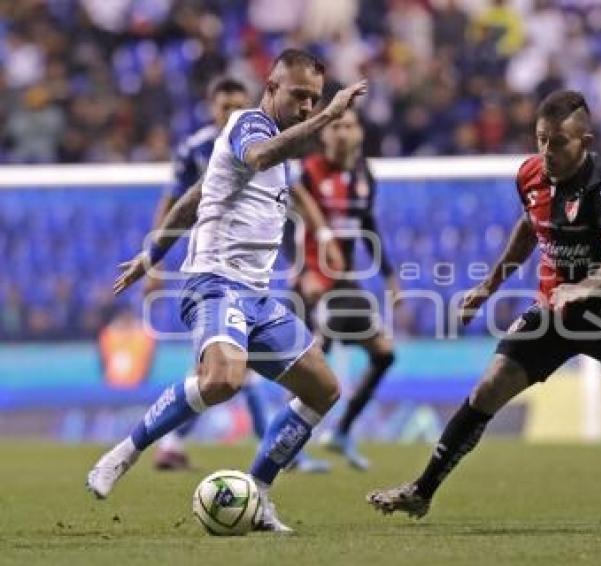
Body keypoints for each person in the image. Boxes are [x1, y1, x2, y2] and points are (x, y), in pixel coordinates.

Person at [367, 90, 601, 526]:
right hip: (554, 314)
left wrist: (583, 288)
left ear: (585, 142)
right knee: (487, 389)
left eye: (558, 142)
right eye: (541, 140)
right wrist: (489, 285)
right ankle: (422, 491)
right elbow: (529, 227)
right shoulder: (530, 176)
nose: (547, 151)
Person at [85, 48, 367, 534]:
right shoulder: (249, 127)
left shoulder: (275, 151)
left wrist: (151, 253)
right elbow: (259, 156)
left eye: (314, 98)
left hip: (258, 295)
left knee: (324, 388)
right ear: (271, 87)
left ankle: (257, 493)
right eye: (298, 95)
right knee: (223, 380)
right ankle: (125, 452)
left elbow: (193, 200)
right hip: (215, 282)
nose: (306, 106)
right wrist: (329, 116)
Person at [143, 76, 329, 474]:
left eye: (237, 106)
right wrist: (154, 260)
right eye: (224, 107)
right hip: (209, 267)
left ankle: (173, 444)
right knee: (227, 371)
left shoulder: (269, 141)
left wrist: (322, 235)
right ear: (212, 108)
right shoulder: (197, 149)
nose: (231, 113)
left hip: (253, 272)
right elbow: (174, 202)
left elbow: (298, 195)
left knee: (224, 372)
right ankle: (274, 452)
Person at [292, 108, 400, 470]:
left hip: (346, 279)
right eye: (335, 126)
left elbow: (369, 225)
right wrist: (300, 269)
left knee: (384, 354)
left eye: (349, 126)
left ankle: (340, 432)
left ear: (360, 133)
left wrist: (390, 277)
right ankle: (289, 446)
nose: (342, 133)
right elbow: (288, 224)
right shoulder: (308, 172)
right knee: (312, 364)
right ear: (324, 134)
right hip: (313, 278)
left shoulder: (364, 174)